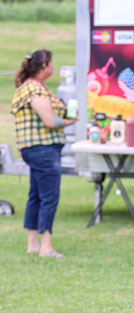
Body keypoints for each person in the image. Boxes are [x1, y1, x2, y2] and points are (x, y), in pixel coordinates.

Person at [11, 49, 76, 258]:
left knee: (36, 195)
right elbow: (50, 121)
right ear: (44, 66)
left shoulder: (32, 87)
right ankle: (46, 246)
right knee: (49, 196)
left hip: (35, 149)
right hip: (43, 148)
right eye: (51, 63)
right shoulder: (34, 90)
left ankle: (33, 244)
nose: (53, 67)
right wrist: (69, 121)